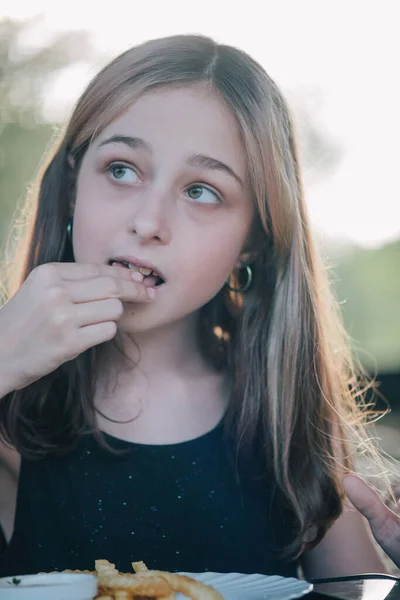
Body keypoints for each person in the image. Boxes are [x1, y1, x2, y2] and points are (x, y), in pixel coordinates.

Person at [0, 34, 394, 580]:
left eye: (201, 191)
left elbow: (360, 589)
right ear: (72, 189)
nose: (147, 222)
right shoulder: (12, 402)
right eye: (121, 169)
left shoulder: (284, 420)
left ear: (254, 239)